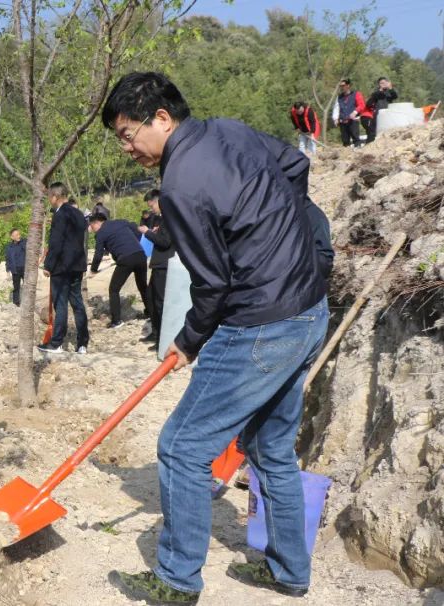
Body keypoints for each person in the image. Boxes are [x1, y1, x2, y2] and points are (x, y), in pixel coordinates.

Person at [101, 72, 329, 604]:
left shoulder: (179, 183)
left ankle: (177, 582)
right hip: (308, 310)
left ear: (162, 118)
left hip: (258, 325)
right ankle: (289, 572)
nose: (127, 147)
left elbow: (212, 283)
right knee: (270, 446)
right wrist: (288, 237)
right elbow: (296, 164)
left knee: (181, 447)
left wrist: (188, 340)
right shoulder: (231, 131)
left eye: (128, 133)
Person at [38, 182, 89, 355]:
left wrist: (48, 265)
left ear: (54, 197)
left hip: (62, 267)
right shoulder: (78, 214)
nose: (49, 201)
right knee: (78, 304)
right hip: (77, 265)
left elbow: (56, 243)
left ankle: (57, 343)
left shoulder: (60, 215)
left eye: (49, 197)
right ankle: (82, 343)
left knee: (60, 304)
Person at [89, 214, 149, 328]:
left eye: (92, 227)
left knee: (114, 289)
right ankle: (150, 313)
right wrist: (132, 245)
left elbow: (98, 254)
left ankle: (116, 321)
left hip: (126, 259)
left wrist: (93, 270)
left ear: (96, 223)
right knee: (143, 286)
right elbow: (137, 231)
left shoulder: (101, 233)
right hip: (140, 255)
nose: (93, 230)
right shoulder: (121, 222)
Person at [137, 189, 173, 345]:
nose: (151, 209)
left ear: (159, 201)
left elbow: (165, 242)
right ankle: (156, 334)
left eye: (152, 206)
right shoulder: (162, 220)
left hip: (164, 265)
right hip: (158, 264)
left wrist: (148, 233)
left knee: (160, 303)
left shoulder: (169, 219)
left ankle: (163, 340)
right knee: (151, 300)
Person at [333, 79, 369, 147]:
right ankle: (346, 155)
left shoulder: (356, 94)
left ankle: (357, 153)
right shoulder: (339, 97)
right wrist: (335, 118)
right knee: (345, 141)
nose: (342, 87)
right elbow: (336, 108)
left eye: (343, 85)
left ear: (348, 85)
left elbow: (362, 105)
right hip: (342, 121)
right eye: (340, 86)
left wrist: (355, 112)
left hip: (353, 121)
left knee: (356, 139)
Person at [364, 77, 397, 144]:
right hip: (377, 114)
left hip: (388, 114)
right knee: (373, 132)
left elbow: (395, 96)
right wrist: (380, 90)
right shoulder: (376, 92)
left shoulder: (389, 91)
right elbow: (369, 103)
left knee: (388, 131)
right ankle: (369, 144)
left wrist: (390, 87)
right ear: (379, 84)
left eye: (384, 83)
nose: (383, 84)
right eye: (381, 83)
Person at [4, 228, 27, 306]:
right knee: (16, 287)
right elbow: (7, 259)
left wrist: (21, 243)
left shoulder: (24, 242)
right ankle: (16, 303)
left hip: (25, 269)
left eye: (19, 234)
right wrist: (7, 271)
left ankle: (27, 303)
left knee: (27, 287)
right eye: (16, 235)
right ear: (12, 237)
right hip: (15, 270)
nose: (18, 236)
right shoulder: (9, 247)